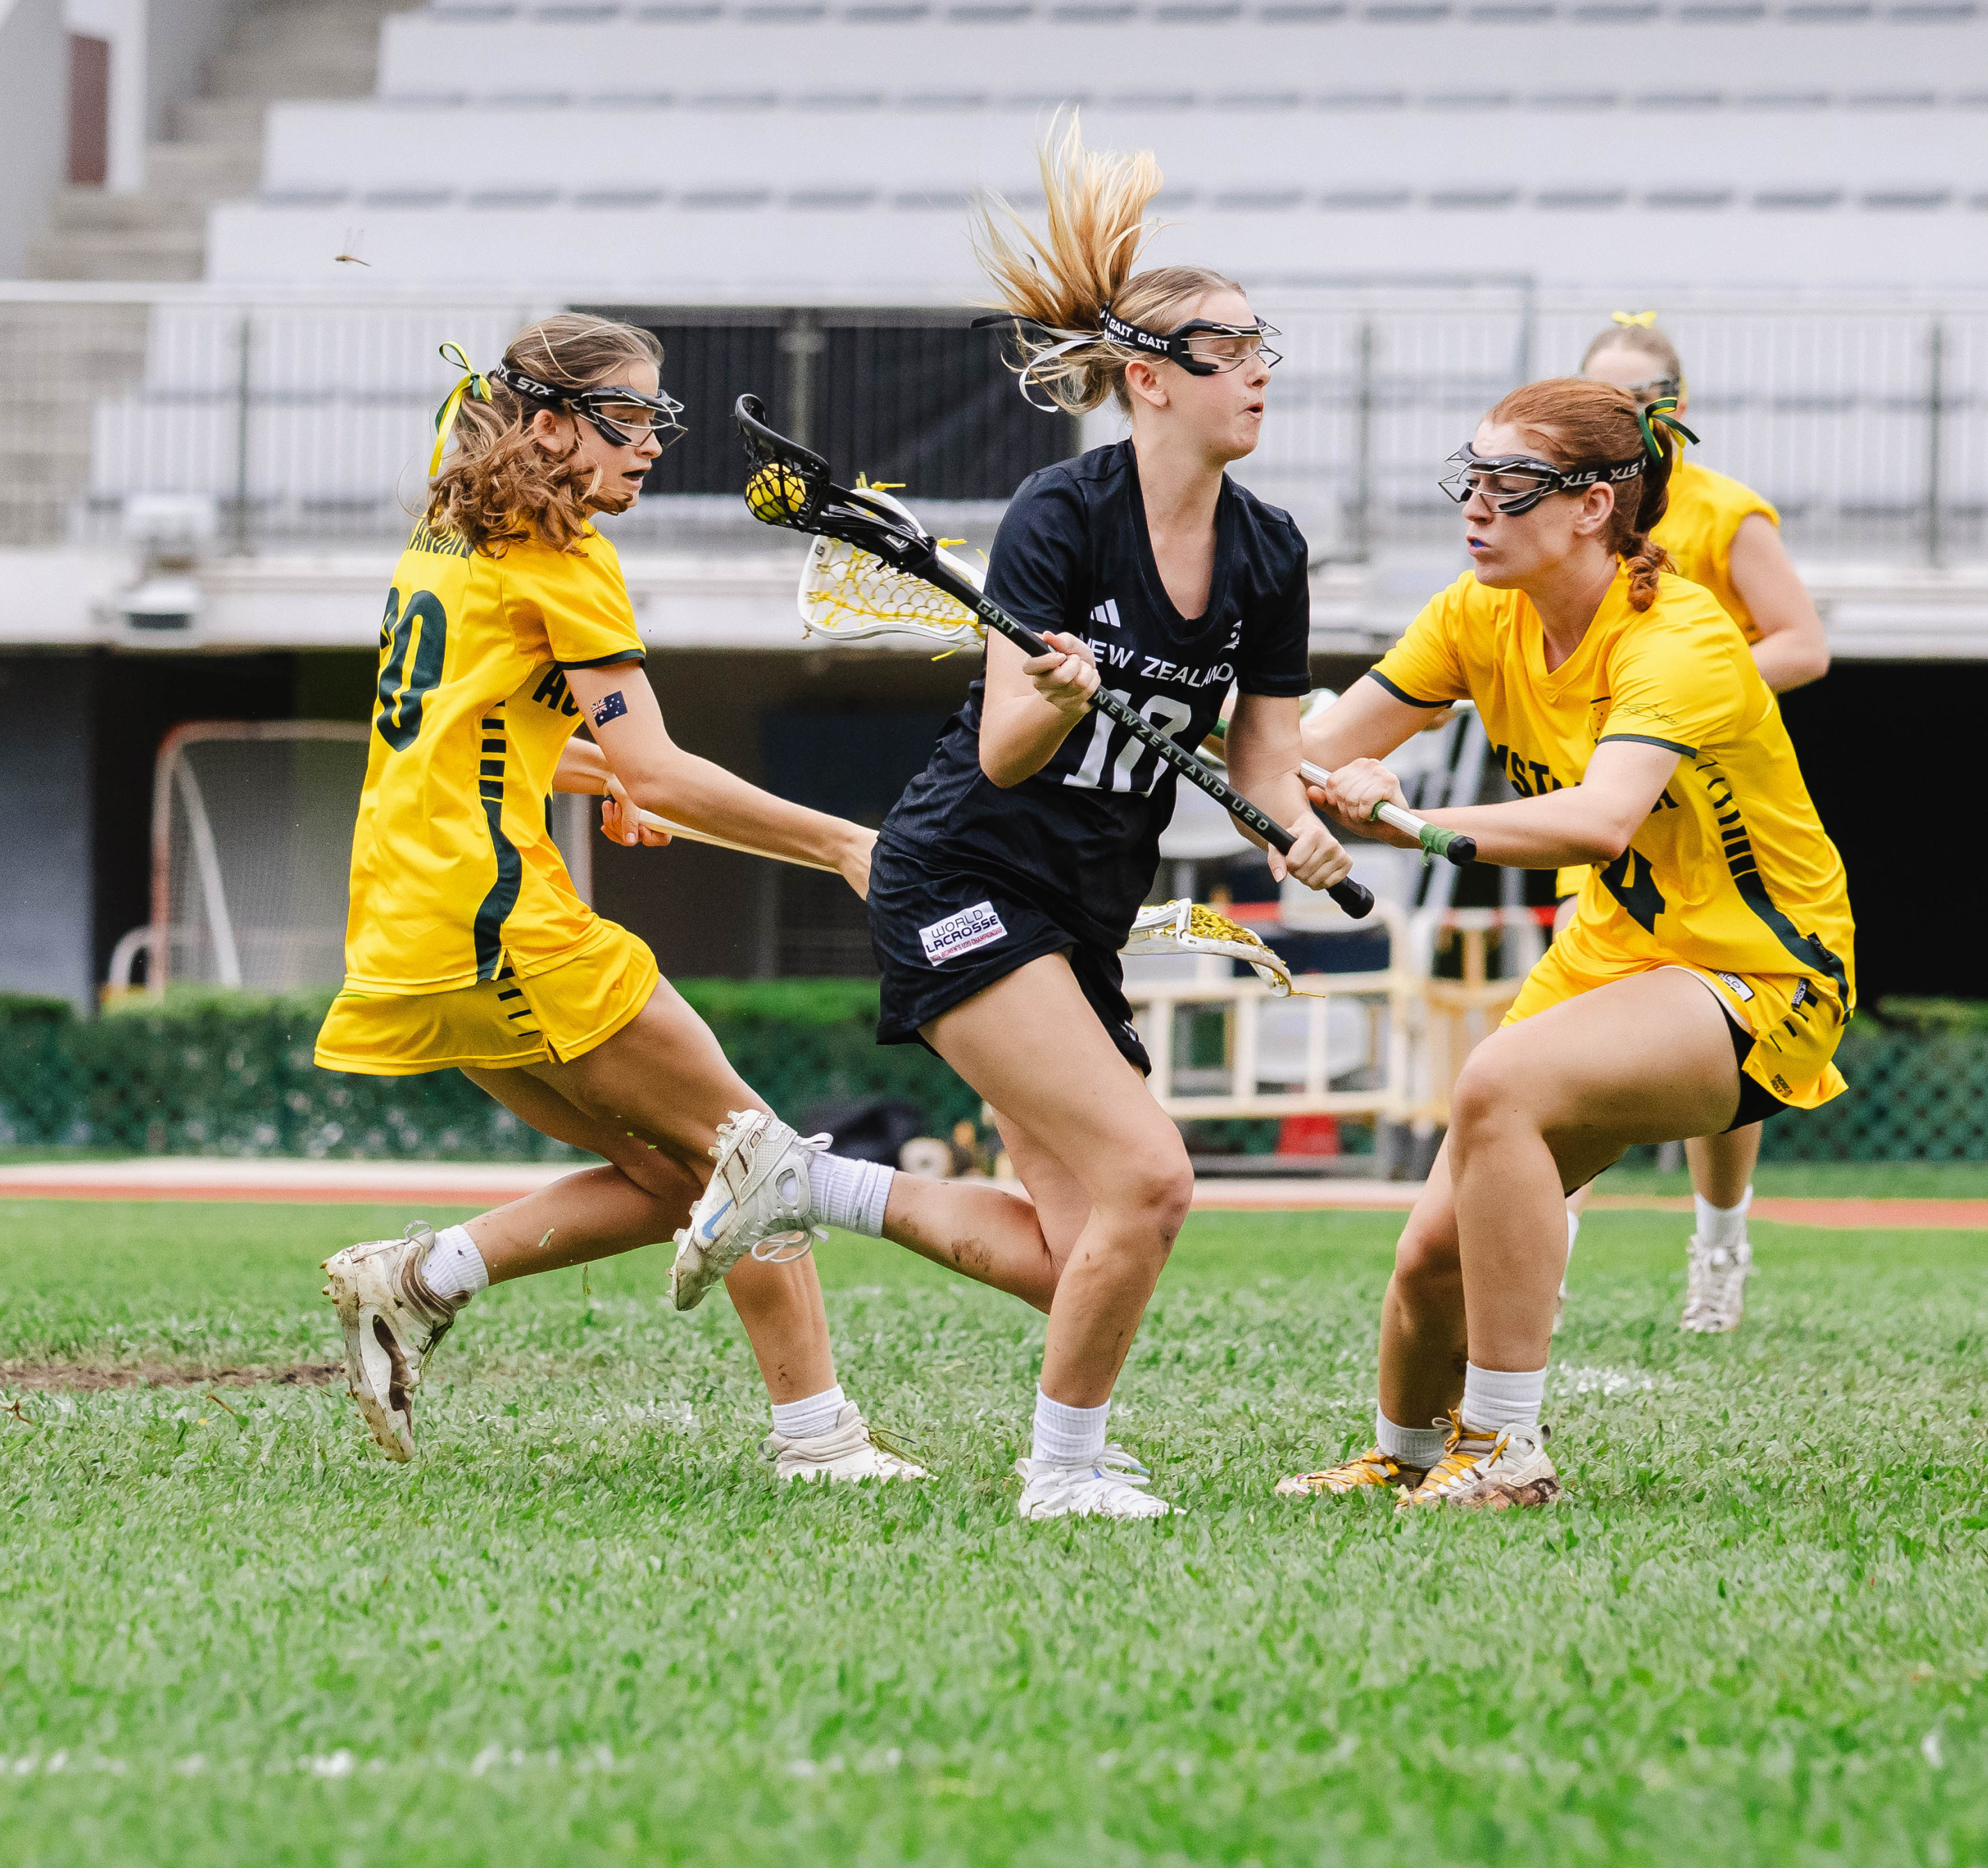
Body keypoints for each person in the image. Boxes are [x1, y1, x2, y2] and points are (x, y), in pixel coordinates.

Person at [667, 125, 1354, 1520]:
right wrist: (1058, 689)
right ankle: (1063, 1470)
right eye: (1232, 348)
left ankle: (801, 1179)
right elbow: (1002, 744)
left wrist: (1306, 830)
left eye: (1263, 343)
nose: (1262, 368)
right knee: (1151, 1185)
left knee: (1079, 1245)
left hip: (1083, 904)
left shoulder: (1267, 550)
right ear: (1149, 380)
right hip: (963, 873)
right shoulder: (1062, 512)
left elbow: (1267, 760)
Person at [313, 314, 941, 1482]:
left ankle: (421, 1277)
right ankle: (820, 1440)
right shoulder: (569, 557)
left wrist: (592, 765)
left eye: (661, 418)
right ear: (548, 426)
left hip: (411, 921)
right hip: (501, 918)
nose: (653, 443)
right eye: (629, 419)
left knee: (679, 1174)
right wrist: (846, 846)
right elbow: (659, 767)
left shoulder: (454, 520)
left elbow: (483, 735)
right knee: (752, 1152)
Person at [1275, 378, 1855, 1508]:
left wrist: (1402, 820)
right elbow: (1313, 747)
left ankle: (1505, 1451)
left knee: (1500, 1079)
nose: (1475, 507)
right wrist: (1190, 692)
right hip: (1613, 952)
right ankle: (1403, 1451)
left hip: (1763, 971)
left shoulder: (1677, 633)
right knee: (1429, 1258)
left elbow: (1597, 820)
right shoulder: (1472, 614)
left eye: (1509, 485)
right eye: (1470, 477)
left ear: (1593, 506)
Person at [1560, 312, 1831, 1332]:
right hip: (1608, 815)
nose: (1617, 418)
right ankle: (1540, 1261)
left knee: (1728, 1047)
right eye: (1599, 399)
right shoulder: (1570, 517)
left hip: (1718, 823)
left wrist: (1671, 708)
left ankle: (1720, 1244)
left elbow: (1802, 645)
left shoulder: (1722, 514)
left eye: (1636, 402)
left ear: (1676, 408)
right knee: (1556, 1038)